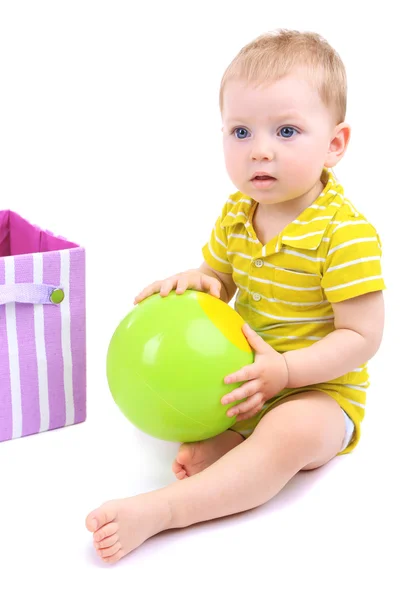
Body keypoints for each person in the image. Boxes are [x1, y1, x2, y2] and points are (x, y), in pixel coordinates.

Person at [86, 29, 385, 563]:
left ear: (334, 144)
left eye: (287, 130)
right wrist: (195, 284)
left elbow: (362, 337)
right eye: (240, 131)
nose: (260, 150)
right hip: (249, 379)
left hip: (320, 393)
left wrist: (289, 373)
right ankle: (231, 450)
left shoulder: (345, 234)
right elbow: (217, 276)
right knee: (232, 420)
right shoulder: (236, 214)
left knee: (288, 433)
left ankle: (166, 510)